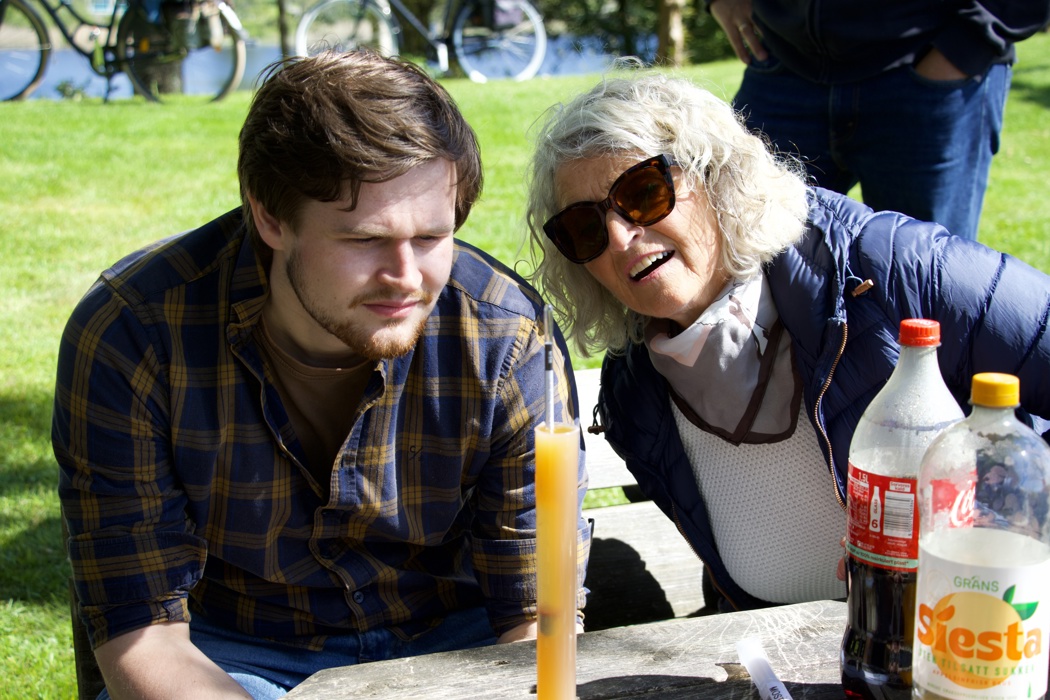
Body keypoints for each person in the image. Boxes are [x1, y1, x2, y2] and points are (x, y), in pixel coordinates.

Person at [53, 50, 590, 700]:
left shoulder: (508, 339)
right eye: (364, 240)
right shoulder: (135, 334)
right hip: (237, 655)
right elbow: (143, 633)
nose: (406, 277)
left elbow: (540, 617)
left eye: (430, 238)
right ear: (270, 217)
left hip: (458, 641)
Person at [525, 69, 1050, 613]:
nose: (618, 237)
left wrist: (1000, 531)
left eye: (642, 193)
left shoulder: (895, 269)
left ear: (716, 175)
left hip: (987, 630)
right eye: (584, 227)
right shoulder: (633, 395)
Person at [704, 0, 1050, 242]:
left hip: (930, 66)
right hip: (784, 60)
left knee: (920, 287)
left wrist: (970, 41)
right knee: (742, 263)